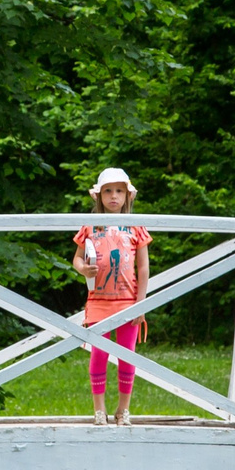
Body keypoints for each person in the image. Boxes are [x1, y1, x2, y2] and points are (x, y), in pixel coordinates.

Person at [73, 167, 150, 425]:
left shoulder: (136, 227)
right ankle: (99, 409)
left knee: (127, 354)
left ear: (128, 196)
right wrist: (84, 268)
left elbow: (143, 267)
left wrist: (141, 303)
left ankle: (123, 408)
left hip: (128, 302)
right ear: (99, 195)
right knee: (99, 353)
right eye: (107, 191)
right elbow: (77, 258)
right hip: (98, 302)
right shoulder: (90, 225)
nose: (113, 196)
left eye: (119, 191)